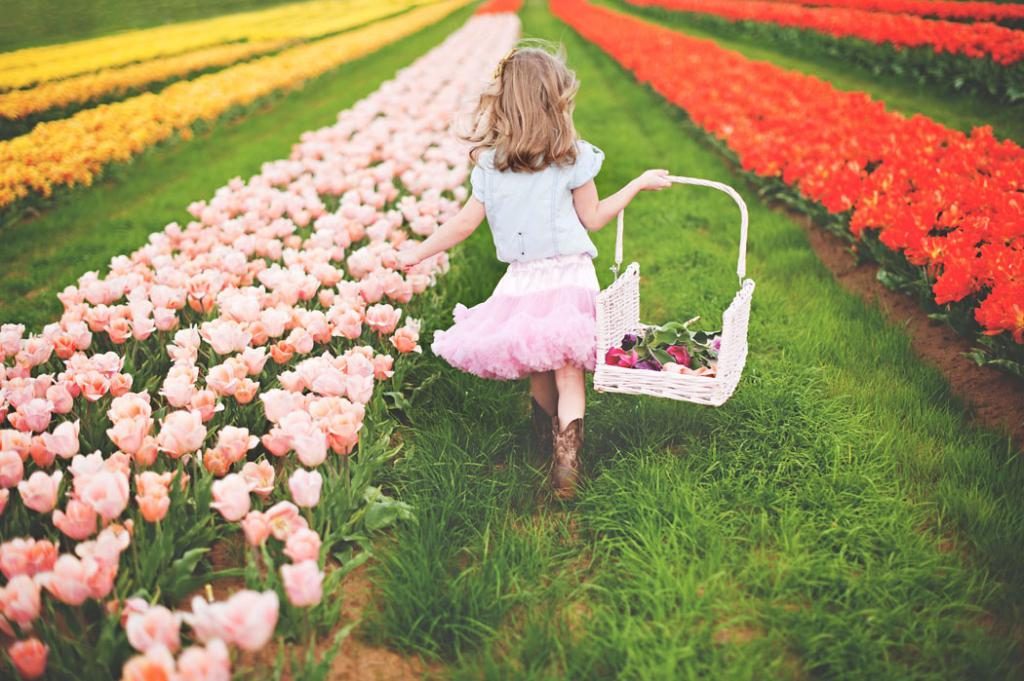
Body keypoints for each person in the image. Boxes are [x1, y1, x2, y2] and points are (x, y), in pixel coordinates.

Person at [398, 44, 670, 498]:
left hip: (523, 281)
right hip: (568, 276)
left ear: (506, 104)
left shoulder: (492, 163)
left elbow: (464, 223)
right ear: (553, 101)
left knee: (538, 365)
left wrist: (417, 252)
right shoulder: (572, 156)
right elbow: (596, 217)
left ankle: (540, 446)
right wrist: (638, 184)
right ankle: (567, 465)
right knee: (567, 371)